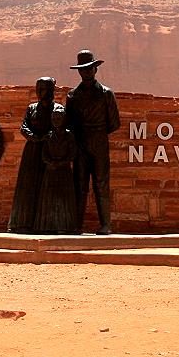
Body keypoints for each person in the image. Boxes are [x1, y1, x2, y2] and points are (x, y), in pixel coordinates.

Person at [65, 49, 120, 235]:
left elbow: (114, 123)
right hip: (80, 144)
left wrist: (97, 133)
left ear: (95, 69)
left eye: (90, 68)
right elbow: (69, 123)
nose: (87, 72)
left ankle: (106, 225)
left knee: (101, 183)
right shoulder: (72, 96)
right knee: (79, 185)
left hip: (99, 143)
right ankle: (76, 225)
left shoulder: (106, 94)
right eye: (83, 69)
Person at [8, 77, 56, 233]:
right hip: (32, 151)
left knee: (47, 186)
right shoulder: (31, 108)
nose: (41, 92)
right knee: (27, 186)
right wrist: (35, 137)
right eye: (39, 89)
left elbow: (61, 127)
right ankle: (22, 223)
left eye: (45, 89)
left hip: (49, 151)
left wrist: (48, 136)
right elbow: (24, 127)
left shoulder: (58, 109)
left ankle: (46, 224)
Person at [35, 106, 79, 234]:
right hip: (50, 171)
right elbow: (44, 154)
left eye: (59, 117)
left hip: (64, 171)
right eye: (54, 117)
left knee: (64, 199)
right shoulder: (48, 136)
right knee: (48, 198)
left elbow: (72, 153)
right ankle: (46, 226)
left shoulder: (69, 135)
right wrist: (51, 162)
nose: (56, 120)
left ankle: (65, 226)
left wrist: (61, 163)